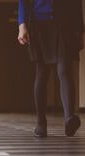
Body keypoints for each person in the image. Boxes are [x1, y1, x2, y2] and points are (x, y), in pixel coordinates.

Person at [18, 0, 84, 138]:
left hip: (65, 24)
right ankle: (41, 123)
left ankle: (69, 119)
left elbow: (76, 3)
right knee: (42, 73)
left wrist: (81, 30)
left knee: (64, 69)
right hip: (39, 23)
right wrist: (22, 23)